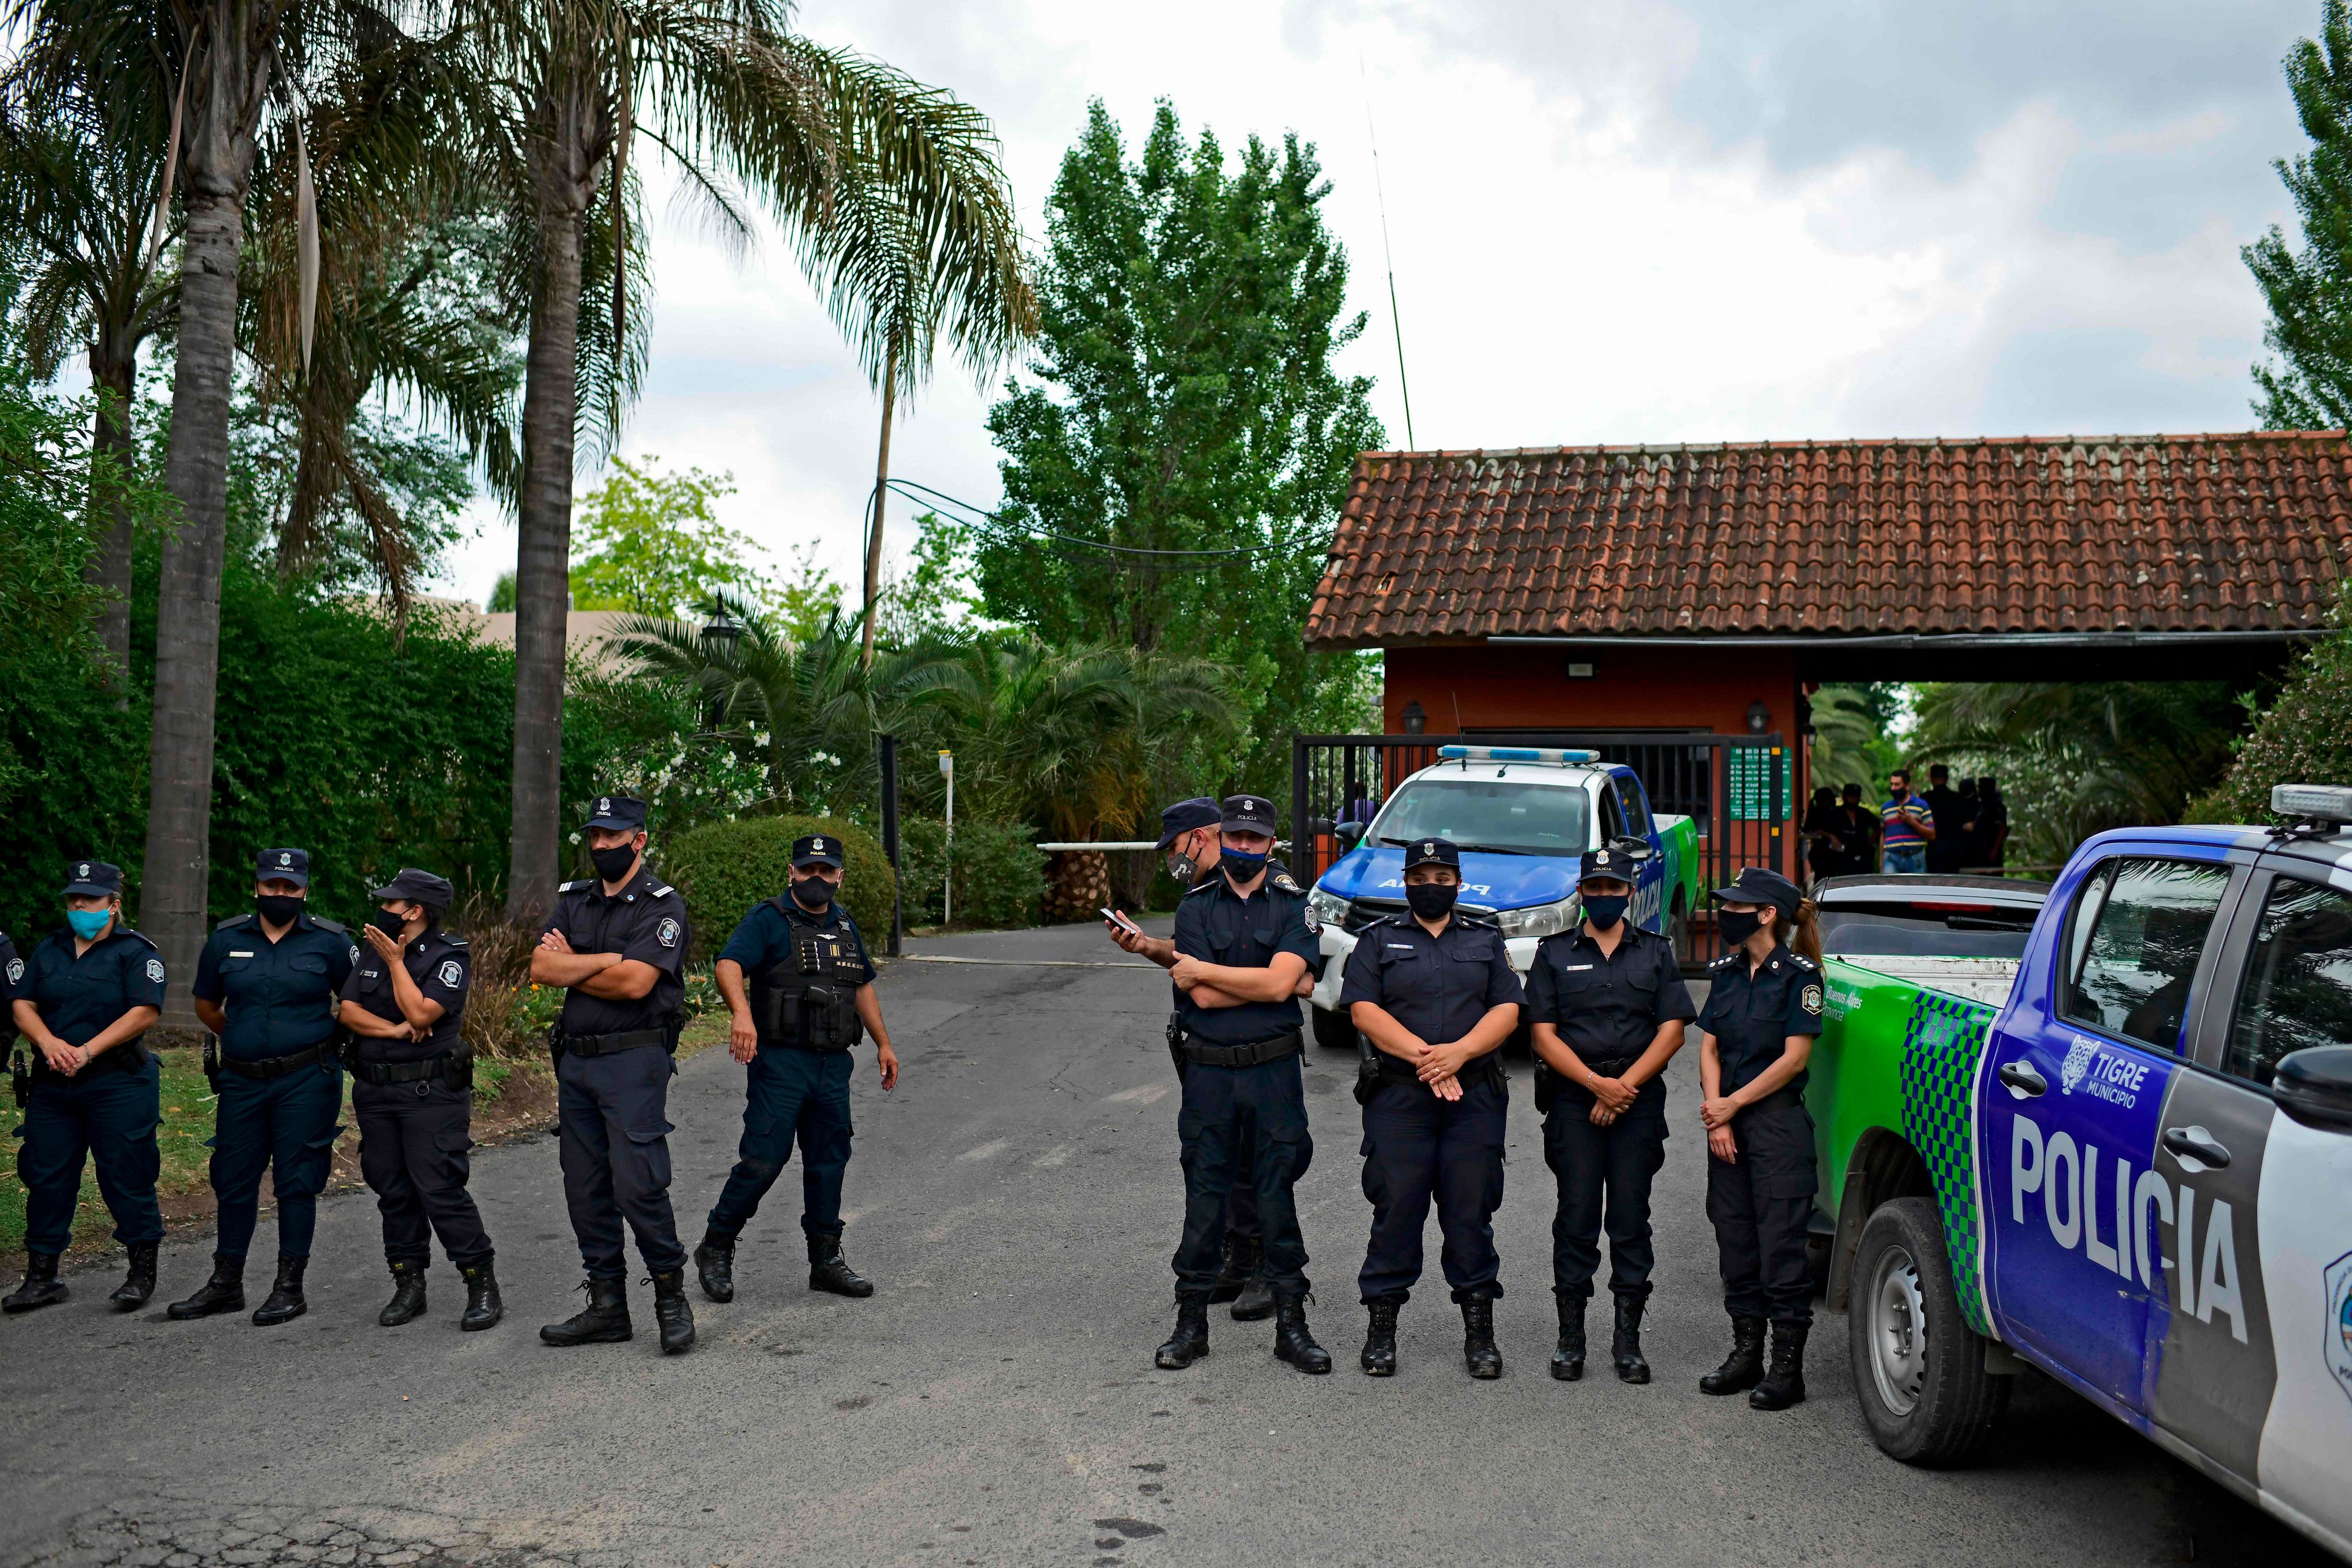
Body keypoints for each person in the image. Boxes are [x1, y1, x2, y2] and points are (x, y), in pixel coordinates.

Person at [1154, 794, 1329, 1375]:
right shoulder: (1195, 907)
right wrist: (1262, 981)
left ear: (1271, 844)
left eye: (1255, 839)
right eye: (1235, 837)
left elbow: (1280, 986)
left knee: (1276, 1194)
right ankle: (1190, 1325)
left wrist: (1206, 969)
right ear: (1221, 838)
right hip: (1209, 1072)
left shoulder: (1295, 904)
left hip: (1273, 1072)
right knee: (1205, 1195)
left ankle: (1292, 1326)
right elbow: (1204, 998)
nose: (1244, 847)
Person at [1339, 837, 1521, 1378]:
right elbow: (1363, 1010)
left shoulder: (1486, 939)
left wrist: (1459, 1053)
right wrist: (1430, 1060)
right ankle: (1381, 1331)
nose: (1431, 887)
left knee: (1470, 1213)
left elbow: (1508, 1009)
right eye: (1420, 878)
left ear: (1458, 882)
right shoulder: (1377, 939)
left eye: (1442, 878)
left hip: (1474, 1096)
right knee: (1396, 1209)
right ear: (1406, 881)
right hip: (1400, 1096)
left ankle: (1480, 1335)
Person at [694, 833, 900, 1305]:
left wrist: (884, 1044)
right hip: (781, 1063)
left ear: (839, 876)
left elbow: (861, 986)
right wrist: (741, 1014)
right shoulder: (768, 918)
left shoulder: (844, 924)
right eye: (807, 869)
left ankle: (824, 1261)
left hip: (833, 1065)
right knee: (764, 1159)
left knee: (830, 1160)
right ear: (792, 872)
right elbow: (728, 964)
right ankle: (716, 1246)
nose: (816, 878)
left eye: (825, 870)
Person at [532, 794, 696, 1355]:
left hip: (634, 1061)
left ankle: (671, 1296)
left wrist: (575, 964)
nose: (601, 845)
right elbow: (540, 967)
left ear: (639, 840)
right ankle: (608, 1306)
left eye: (612, 835)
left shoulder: (661, 906)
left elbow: (636, 984)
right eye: (595, 835)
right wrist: (609, 960)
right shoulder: (573, 900)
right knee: (584, 1187)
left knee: (637, 1183)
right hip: (577, 1062)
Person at [1525, 843, 1695, 1383]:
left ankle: (1628, 1342)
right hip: (1576, 1100)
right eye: (1594, 887)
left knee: (1629, 1218)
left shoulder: (1656, 952)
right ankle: (1571, 1338)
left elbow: (1672, 1030)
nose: (1603, 895)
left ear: (1629, 891)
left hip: (1636, 1101)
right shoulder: (1553, 953)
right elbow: (1543, 1036)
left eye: (1613, 887)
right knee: (1576, 1217)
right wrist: (1597, 1085)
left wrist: (1625, 1086)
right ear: (1582, 891)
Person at [1104, 797, 1275, 1322]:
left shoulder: (1261, 885)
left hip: (1250, 1049)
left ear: (1201, 837)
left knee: (1257, 1160)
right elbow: (1188, 956)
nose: (1172, 859)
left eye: (1175, 847)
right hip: (1204, 1050)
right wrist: (1146, 946)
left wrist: (1204, 980)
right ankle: (1238, 1259)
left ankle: (1267, 1268)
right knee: (1216, 1160)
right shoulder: (1200, 892)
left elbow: (1271, 977)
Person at [168, 849, 353, 1326]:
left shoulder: (331, 941)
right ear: (258, 886)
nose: (281, 894)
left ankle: (289, 1286)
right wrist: (243, 1037)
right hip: (242, 1081)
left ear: (305, 889)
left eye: (291, 886)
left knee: (296, 1181)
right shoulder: (226, 939)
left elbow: (355, 1004)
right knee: (233, 1179)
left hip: (306, 1079)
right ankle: (226, 1282)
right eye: (272, 885)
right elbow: (208, 1005)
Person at [340, 867, 500, 1331]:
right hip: (376, 1090)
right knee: (392, 1188)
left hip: (430, 1092)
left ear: (414, 912)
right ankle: (409, 1283)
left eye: (391, 903)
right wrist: (392, 1030)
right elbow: (348, 1010)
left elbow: (421, 1012)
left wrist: (396, 964)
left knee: (439, 1187)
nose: (382, 909)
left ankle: (481, 1282)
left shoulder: (448, 956)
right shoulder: (373, 949)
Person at [3, 861, 166, 1313]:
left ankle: (141, 1273)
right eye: (74, 897)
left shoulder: (136, 952)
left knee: (126, 1174)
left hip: (118, 1081)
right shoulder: (51, 948)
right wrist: (48, 1042)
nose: (79, 905)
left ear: (113, 905)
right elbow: (22, 1003)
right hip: (54, 1085)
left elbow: (145, 1011)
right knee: (46, 1176)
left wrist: (88, 1050)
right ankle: (43, 1277)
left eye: (90, 899)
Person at [1694, 866, 1826, 1411]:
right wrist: (1719, 1115)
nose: (1726, 912)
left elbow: (1794, 1059)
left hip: (1776, 1126)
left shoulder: (1801, 978)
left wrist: (1734, 1103)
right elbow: (1708, 1047)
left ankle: (1786, 1370)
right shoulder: (1725, 973)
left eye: (1737, 905)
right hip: (1728, 1126)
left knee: (1781, 1248)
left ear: (1767, 914)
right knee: (1736, 1242)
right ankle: (1745, 1354)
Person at [1880, 770, 1934, 874]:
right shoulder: (1886, 808)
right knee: (1890, 885)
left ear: (1908, 786)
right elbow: (1883, 835)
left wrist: (1911, 821)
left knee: (1917, 886)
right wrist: (1881, 863)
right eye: (1891, 784)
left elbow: (1932, 835)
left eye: (1897, 785)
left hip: (1915, 857)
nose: (1893, 788)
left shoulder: (1921, 805)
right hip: (1891, 858)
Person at [1920, 765, 1967, 875]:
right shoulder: (1958, 798)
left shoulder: (1925, 799)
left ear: (1932, 778)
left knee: (1934, 881)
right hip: (1954, 848)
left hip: (1934, 848)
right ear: (1946, 778)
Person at [1800, 786, 1846, 886]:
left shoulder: (1816, 812)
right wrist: (1830, 836)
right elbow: (1817, 831)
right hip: (1824, 855)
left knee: (1822, 881)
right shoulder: (1822, 814)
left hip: (1820, 854)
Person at [1838, 783, 1877, 877]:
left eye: (1856, 797)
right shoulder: (1837, 813)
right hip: (1844, 856)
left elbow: (1879, 826)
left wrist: (1872, 840)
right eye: (1851, 797)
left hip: (1864, 855)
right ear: (1844, 797)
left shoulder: (1864, 813)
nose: (1853, 799)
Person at [1975, 777, 2010, 872]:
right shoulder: (1979, 806)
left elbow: (2002, 829)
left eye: (1981, 787)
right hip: (1979, 850)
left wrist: (1995, 850)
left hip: (1992, 849)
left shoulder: (1997, 808)